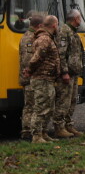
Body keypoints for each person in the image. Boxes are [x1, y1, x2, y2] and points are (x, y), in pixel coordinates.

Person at [28, 15, 70, 144]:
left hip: (48, 78)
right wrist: (29, 69)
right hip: (42, 78)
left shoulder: (48, 38)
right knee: (41, 108)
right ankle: (36, 136)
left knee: (49, 107)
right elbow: (36, 58)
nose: (58, 27)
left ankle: (43, 133)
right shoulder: (44, 39)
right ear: (54, 25)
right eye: (57, 25)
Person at [53, 9, 84, 138]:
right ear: (75, 19)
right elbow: (61, 54)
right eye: (79, 17)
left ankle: (68, 125)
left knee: (72, 100)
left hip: (74, 73)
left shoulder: (73, 32)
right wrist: (64, 72)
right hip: (66, 74)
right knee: (63, 101)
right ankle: (59, 127)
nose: (80, 20)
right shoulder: (64, 31)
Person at [18, 12, 43, 140]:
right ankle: (27, 131)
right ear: (39, 25)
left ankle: (30, 130)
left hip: (31, 77)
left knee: (33, 105)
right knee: (30, 105)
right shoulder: (29, 38)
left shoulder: (31, 36)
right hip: (29, 78)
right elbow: (28, 60)